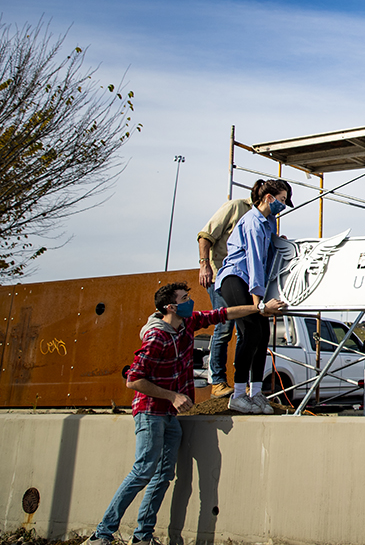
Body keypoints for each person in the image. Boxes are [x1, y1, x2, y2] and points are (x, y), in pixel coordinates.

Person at [84, 282, 285, 545]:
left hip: (171, 416)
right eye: (185, 298)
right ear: (171, 307)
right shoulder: (157, 337)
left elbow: (223, 314)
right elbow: (133, 380)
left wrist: (260, 308)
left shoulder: (187, 324)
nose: (190, 301)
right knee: (143, 471)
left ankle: (143, 536)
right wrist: (173, 396)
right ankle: (102, 534)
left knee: (164, 476)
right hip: (150, 413)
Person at [197, 182, 292, 399]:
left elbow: (267, 252)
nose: (284, 205)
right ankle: (237, 392)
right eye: (282, 199)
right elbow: (255, 261)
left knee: (262, 334)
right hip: (235, 277)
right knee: (249, 331)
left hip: (250, 280)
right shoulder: (251, 220)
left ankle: (256, 391)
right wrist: (259, 304)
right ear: (269, 197)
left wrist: (278, 242)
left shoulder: (269, 222)